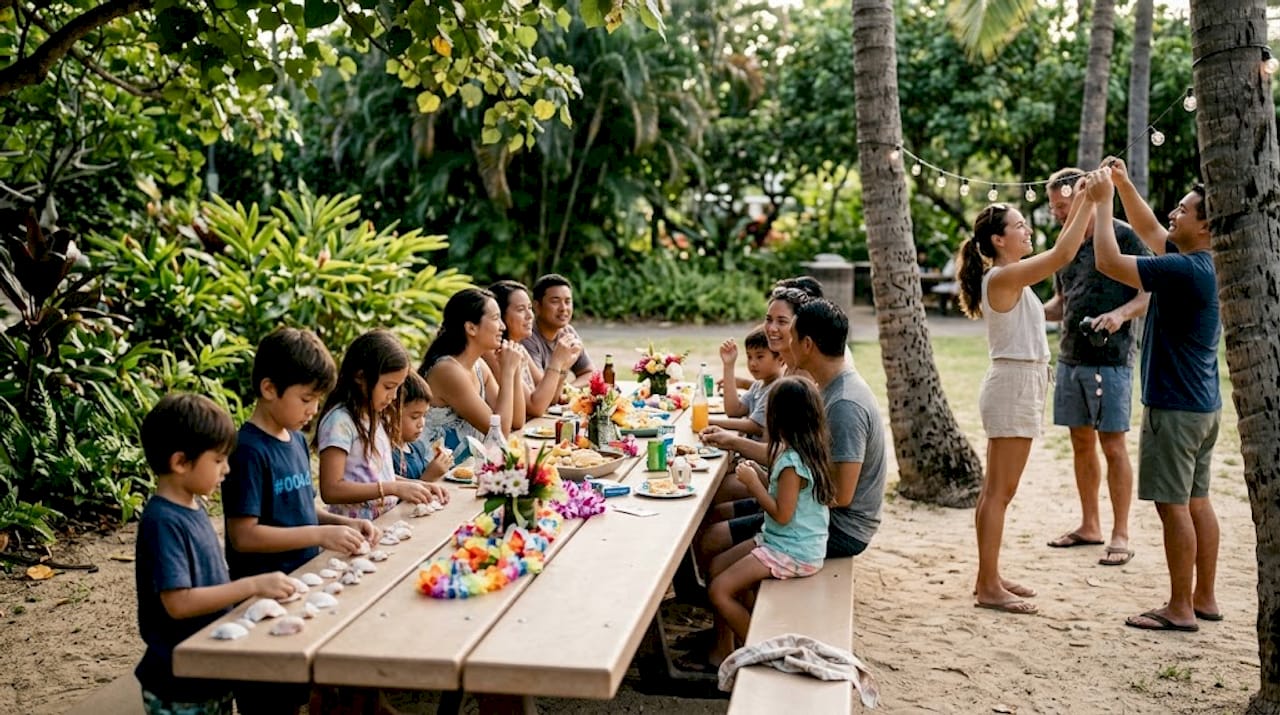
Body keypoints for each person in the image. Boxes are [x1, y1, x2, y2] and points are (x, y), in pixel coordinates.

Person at [1091, 159, 1221, 632]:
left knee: (1174, 506)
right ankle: (1203, 598)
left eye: (1184, 210)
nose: (1174, 213)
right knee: (1198, 501)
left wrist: (1103, 204)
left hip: (1176, 406)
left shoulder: (1186, 270)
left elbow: (1108, 262)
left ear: (1205, 224)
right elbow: (1148, 228)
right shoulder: (1202, 263)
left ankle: (1180, 607)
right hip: (1203, 407)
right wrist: (1124, 183)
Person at [221, 327, 379, 714]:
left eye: (317, 399)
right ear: (269, 389)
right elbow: (244, 536)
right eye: (306, 398)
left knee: (298, 693)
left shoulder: (292, 439)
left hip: (302, 582)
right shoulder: (248, 451)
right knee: (269, 699)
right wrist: (321, 533)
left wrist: (340, 525)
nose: (312, 410)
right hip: (262, 594)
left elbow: (302, 508)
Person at [956, 192, 1094, 614]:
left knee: (997, 492)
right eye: (1019, 225)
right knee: (999, 493)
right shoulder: (1003, 277)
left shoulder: (1012, 277)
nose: (1027, 230)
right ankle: (988, 586)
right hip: (1013, 385)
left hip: (1020, 383)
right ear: (999, 240)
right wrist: (1088, 199)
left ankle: (990, 576)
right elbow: (1065, 252)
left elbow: (1048, 300)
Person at [134, 394, 295, 715]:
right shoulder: (163, 522)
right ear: (180, 462)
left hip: (208, 668)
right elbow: (179, 603)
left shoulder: (192, 505)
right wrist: (252, 586)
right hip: (179, 682)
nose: (227, 469)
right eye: (219, 460)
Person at [703, 298, 887, 561]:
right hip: (807, 505)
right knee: (717, 516)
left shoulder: (845, 404)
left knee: (715, 538)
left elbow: (842, 495)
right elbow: (800, 456)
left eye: (793, 337)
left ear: (807, 345)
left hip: (838, 526)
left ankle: (724, 594)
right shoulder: (826, 387)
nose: (787, 344)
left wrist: (772, 490)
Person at [1042, 167, 1150, 566]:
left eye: (1062, 206)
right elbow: (1061, 304)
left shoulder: (1122, 235)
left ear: (1085, 194)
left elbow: (1149, 293)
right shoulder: (1064, 247)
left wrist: (1120, 315)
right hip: (1071, 357)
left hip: (1113, 358)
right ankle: (1090, 525)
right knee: (1080, 442)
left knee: (1114, 444)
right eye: (1054, 208)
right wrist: (1022, 311)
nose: (1057, 214)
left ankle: (1121, 532)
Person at [707, 376, 837, 664]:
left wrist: (754, 484)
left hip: (792, 551)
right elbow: (784, 498)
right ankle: (739, 637)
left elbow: (781, 513)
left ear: (780, 417)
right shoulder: (799, 452)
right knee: (717, 566)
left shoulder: (792, 463)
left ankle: (760, 650)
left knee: (719, 591)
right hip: (782, 540)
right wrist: (761, 475)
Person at [316, 330, 449, 518]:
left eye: (397, 388)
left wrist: (415, 485)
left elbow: (377, 476)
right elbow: (331, 490)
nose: (393, 396)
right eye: (388, 387)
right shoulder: (340, 422)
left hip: (385, 523)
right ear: (360, 377)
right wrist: (392, 488)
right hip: (355, 532)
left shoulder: (375, 416)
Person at [419, 288, 525, 463]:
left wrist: (515, 371)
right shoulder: (448, 371)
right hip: (436, 473)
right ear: (471, 328)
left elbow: (517, 421)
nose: (503, 326)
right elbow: (500, 434)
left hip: (465, 467)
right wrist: (507, 372)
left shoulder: (478, 365)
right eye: (495, 318)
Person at [487, 279, 582, 417]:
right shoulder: (496, 353)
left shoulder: (518, 348)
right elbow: (535, 407)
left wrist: (564, 366)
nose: (530, 315)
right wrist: (556, 361)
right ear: (500, 315)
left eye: (530, 308)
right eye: (521, 309)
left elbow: (550, 398)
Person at [710, 326, 782, 440]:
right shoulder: (758, 385)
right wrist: (728, 366)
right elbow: (734, 411)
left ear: (780, 358)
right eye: (749, 357)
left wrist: (710, 421)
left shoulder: (778, 389)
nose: (753, 363)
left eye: (760, 356)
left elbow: (755, 426)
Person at [519, 274, 593, 386]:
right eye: (555, 301)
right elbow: (541, 387)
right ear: (537, 306)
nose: (563, 308)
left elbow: (589, 373)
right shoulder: (527, 337)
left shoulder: (568, 332)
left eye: (567, 302)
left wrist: (569, 390)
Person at [394, 371, 451, 480]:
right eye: (415, 417)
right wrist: (429, 477)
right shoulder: (389, 456)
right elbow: (401, 494)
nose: (421, 423)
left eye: (424, 415)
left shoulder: (418, 447)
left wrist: (438, 466)